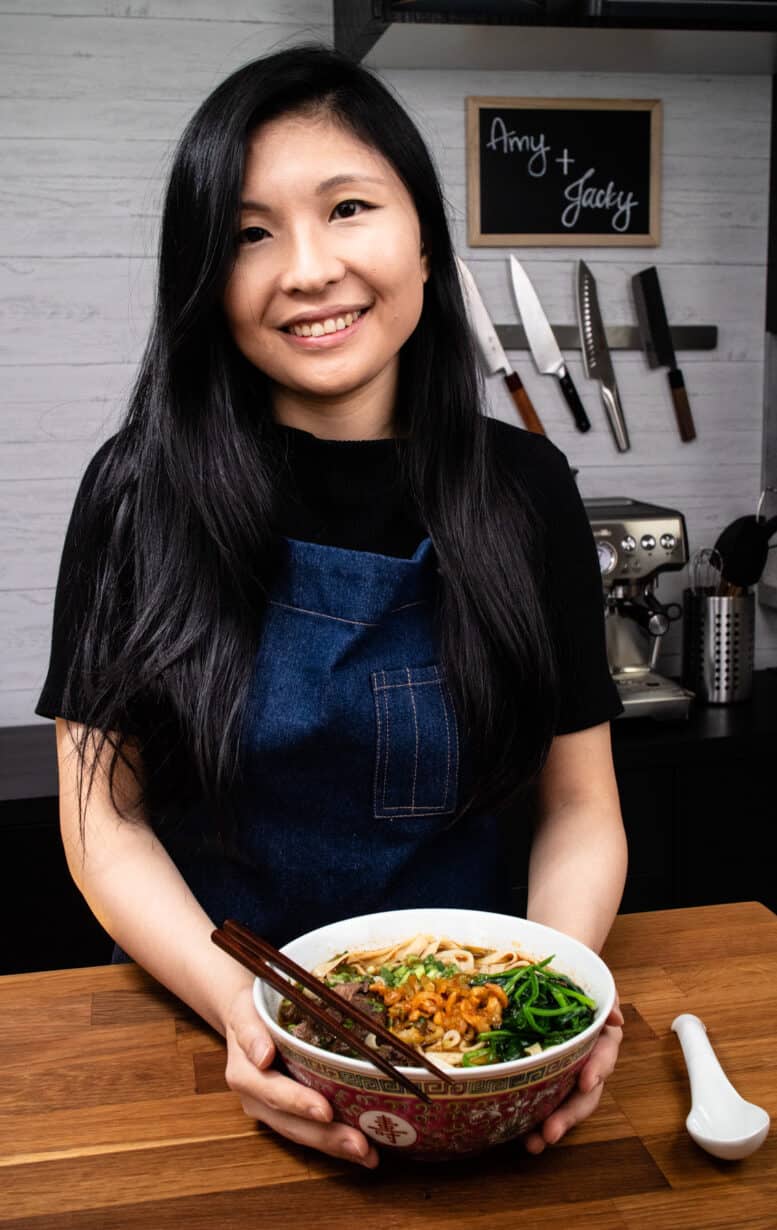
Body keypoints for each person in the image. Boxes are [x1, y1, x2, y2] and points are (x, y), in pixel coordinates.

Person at [37, 44, 627, 1169]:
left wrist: (550, 1009)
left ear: (422, 237)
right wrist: (245, 1017)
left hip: (474, 1019)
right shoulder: (137, 491)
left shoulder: (527, 489)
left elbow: (580, 806)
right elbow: (98, 819)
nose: (307, 269)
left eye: (347, 208)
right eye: (251, 233)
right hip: (216, 1028)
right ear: (206, 277)